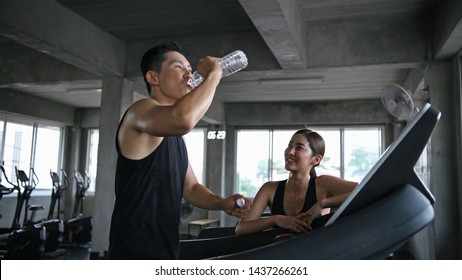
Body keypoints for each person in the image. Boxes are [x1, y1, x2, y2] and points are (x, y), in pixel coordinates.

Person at [108, 41, 251, 260]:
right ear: (153, 78)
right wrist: (215, 74)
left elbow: (191, 187)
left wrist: (221, 202)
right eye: (178, 67)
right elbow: (184, 118)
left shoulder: (174, 136)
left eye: (188, 68)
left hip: (166, 249)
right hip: (134, 251)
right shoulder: (140, 110)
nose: (188, 74)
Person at [235, 129, 357, 236]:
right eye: (289, 145)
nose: (290, 151)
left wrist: (322, 203)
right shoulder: (269, 189)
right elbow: (241, 229)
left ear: (316, 159)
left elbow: (365, 189)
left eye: (299, 147)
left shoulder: (323, 184)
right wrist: (275, 219)